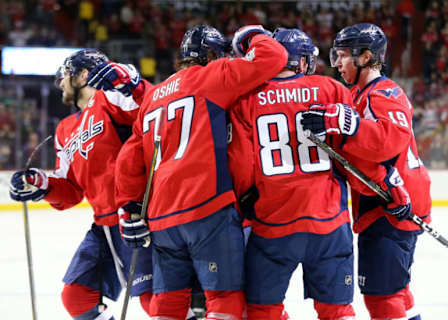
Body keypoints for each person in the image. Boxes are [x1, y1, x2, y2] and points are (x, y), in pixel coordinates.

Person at [114, 25, 288, 320]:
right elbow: (274, 56)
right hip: (207, 208)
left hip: (161, 218)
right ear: (210, 54)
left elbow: (128, 160)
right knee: (224, 299)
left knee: (168, 302)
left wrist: (129, 208)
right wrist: (251, 35)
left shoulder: (153, 97)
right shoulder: (212, 75)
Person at [9, 49, 163, 320]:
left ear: (82, 75)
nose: (60, 83)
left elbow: (152, 109)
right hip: (103, 226)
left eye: (64, 76)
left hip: (135, 216)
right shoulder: (64, 129)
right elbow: (70, 191)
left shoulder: (110, 97)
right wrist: (39, 184)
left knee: (156, 301)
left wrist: (131, 81)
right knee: (77, 297)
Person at [301, 23, 431, 320]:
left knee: (381, 298)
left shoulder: (384, 92)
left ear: (366, 57)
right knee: (396, 291)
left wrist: (346, 125)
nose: (337, 64)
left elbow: (390, 139)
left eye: (344, 55)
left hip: (394, 203)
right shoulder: (362, 93)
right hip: (388, 201)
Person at [227, 27, 357, 320]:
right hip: (329, 220)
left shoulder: (246, 98)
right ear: (301, 62)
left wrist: (247, 200)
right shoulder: (332, 89)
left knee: (263, 309)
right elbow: (354, 153)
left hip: (273, 222)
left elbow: (240, 163)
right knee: (337, 310)